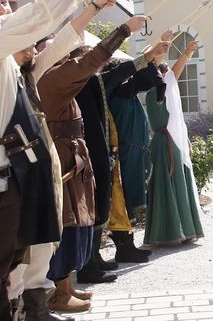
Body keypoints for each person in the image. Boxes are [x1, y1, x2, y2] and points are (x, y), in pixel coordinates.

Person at [0, 0, 117, 321]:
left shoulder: (18, 69)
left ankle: (33, 308)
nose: (5, 7)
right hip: (6, 179)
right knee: (8, 264)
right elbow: (40, 16)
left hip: (26, 177)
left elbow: (61, 42)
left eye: (6, 0)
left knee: (33, 249)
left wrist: (93, 8)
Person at [38, 16, 146, 312]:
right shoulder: (53, 77)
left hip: (73, 154)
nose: (70, 55)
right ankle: (59, 292)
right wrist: (123, 30)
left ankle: (66, 287)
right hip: (64, 157)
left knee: (75, 221)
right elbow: (91, 62)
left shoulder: (60, 76)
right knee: (68, 222)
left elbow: (96, 68)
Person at [74, 39, 168, 283]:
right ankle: (89, 261)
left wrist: (150, 57)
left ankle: (98, 256)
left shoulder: (96, 82)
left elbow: (129, 75)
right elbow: (120, 73)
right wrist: (147, 56)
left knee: (112, 201)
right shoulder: (89, 82)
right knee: (103, 203)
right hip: (94, 152)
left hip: (106, 150)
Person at [144, 39, 204, 245]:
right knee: (168, 187)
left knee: (179, 183)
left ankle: (184, 230)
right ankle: (169, 232)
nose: (172, 78)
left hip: (171, 142)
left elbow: (175, 119)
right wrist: (186, 54)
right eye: (167, 74)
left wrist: (185, 139)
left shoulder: (164, 93)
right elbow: (172, 75)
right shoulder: (156, 92)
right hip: (164, 146)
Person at [106, 58, 166, 261]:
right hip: (125, 154)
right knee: (123, 200)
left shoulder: (125, 91)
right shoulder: (116, 91)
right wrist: (148, 57)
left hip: (134, 153)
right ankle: (124, 247)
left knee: (128, 201)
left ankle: (127, 246)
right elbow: (138, 80)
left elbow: (144, 80)